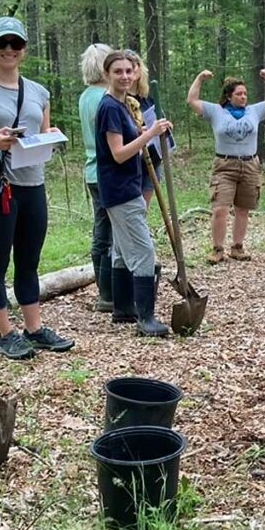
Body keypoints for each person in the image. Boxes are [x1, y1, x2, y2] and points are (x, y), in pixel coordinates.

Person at [0, 16, 75, 360]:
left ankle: (34, 329)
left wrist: (51, 137)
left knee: (29, 260)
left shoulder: (39, 92)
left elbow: (41, 135)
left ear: (24, 49)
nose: (9, 50)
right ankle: (6, 333)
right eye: (2, 43)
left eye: (16, 44)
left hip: (32, 184)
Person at [95, 51, 173, 336]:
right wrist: (149, 134)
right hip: (121, 189)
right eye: (118, 71)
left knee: (120, 249)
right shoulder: (110, 108)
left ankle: (124, 308)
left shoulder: (124, 104)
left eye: (129, 71)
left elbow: (132, 137)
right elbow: (118, 154)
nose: (125, 76)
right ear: (107, 74)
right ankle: (146, 318)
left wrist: (154, 130)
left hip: (123, 186)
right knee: (142, 250)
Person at [186, 68, 265, 263]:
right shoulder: (216, 111)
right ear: (229, 96)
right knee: (220, 208)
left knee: (243, 208)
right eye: (239, 93)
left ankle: (237, 247)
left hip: (249, 164)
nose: (243, 97)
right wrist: (200, 79)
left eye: (245, 93)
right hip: (224, 165)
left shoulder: (254, 111)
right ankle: (217, 249)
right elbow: (192, 101)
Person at [78, 43, 115, 313]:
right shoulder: (105, 98)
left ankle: (107, 291)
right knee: (105, 232)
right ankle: (107, 293)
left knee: (101, 228)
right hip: (105, 170)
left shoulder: (85, 96)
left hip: (93, 170)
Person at [123, 49, 165, 206]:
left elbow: (156, 118)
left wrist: (164, 126)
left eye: (135, 66)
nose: (132, 72)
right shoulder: (120, 100)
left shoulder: (147, 97)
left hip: (153, 159)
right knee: (133, 211)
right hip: (133, 163)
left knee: (142, 210)